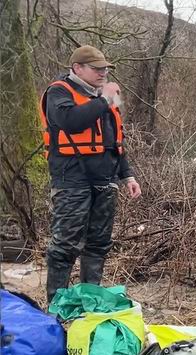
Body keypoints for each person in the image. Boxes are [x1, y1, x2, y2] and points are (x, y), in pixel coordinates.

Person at [39, 45, 142, 302]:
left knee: (98, 244)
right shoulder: (59, 92)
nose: (103, 73)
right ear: (77, 69)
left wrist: (127, 175)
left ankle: (90, 299)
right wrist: (104, 100)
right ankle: (56, 306)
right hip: (72, 179)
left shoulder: (105, 95)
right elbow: (71, 122)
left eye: (105, 69)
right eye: (97, 69)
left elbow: (116, 139)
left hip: (105, 180)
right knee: (65, 245)